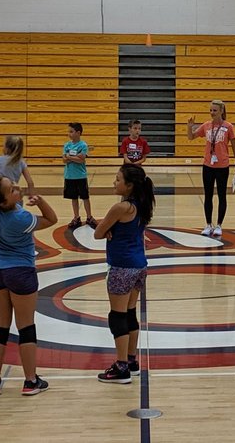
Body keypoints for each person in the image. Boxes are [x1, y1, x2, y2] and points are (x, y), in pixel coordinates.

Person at [0, 177, 57, 396]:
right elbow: (52, 219)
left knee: (0, 326)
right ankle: (30, 381)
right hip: (20, 270)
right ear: (3, 202)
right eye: (11, 190)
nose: (16, 189)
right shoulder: (20, 217)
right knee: (26, 326)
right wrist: (40, 201)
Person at [94, 165, 155, 384]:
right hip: (139, 265)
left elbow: (97, 233)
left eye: (118, 179)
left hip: (122, 266)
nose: (114, 182)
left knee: (117, 316)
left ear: (128, 185)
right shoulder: (142, 204)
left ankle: (121, 367)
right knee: (130, 313)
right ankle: (131, 360)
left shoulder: (120, 208)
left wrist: (107, 229)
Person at [186, 100, 235, 238]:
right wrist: (189, 127)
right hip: (208, 166)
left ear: (221, 111)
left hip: (222, 166)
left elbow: (234, 146)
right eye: (210, 110)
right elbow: (191, 137)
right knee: (208, 195)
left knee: (222, 196)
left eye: (214, 110)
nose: (212, 113)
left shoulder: (228, 127)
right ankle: (208, 224)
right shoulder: (206, 126)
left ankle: (219, 225)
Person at [63, 122, 95, 228]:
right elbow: (64, 160)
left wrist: (70, 157)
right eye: (69, 131)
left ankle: (89, 217)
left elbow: (81, 160)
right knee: (74, 198)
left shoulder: (83, 145)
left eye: (71, 131)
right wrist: (74, 157)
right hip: (69, 176)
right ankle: (76, 217)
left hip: (80, 176)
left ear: (78, 133)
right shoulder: (67, 145)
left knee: (85, 197)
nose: (69, 134)